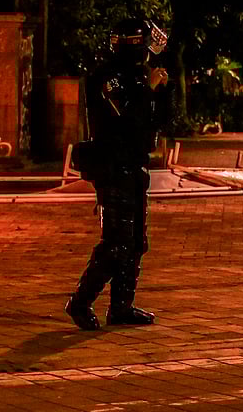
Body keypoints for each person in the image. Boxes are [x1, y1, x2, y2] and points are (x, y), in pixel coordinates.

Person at [66, 18, 169, 330]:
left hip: (135, 163)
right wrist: (147, 90)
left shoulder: (139, 75)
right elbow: (126, 115)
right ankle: (81, 302)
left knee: (136, 241)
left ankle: (122, 306)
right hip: (113, 166)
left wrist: (161, 90)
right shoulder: (109, 77)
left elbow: (157, 120)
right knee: (116, 242)